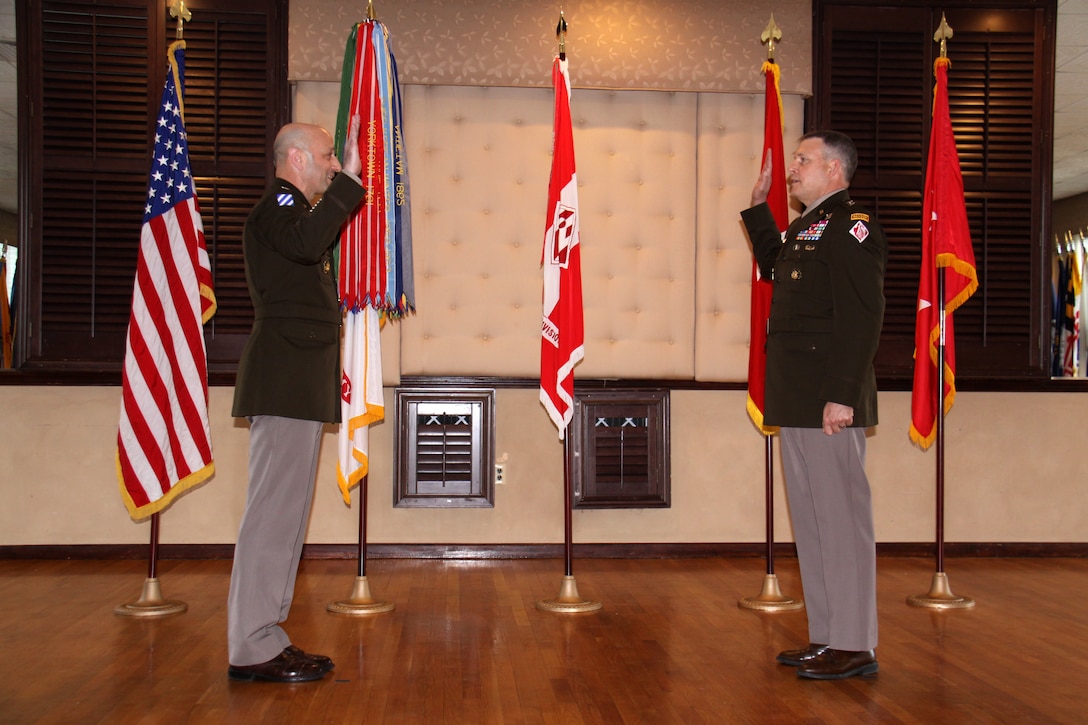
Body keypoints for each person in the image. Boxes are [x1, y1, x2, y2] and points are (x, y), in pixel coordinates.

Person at [741, 130, 887, 680]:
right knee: (813, 520)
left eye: (803, 159)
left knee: (842, 522)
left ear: (835, 170)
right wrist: (759, 211)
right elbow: (780, 268)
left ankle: (855, 643)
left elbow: (862, 314)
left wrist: (841, 394)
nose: (792, 168)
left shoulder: (855, 227)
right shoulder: (811, 224)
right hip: (799, 394)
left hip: (828, 397)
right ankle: (828, 636)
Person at [226, 120, 365, 683]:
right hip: (284, 382)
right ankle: (253, 644)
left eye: (338, 160)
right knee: (272, 518)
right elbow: (309, 245)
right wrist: (349, 184)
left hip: (296, 384)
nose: (334, 165)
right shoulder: (275, 211)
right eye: (329, 157)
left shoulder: (290, 212)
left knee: (284, 520)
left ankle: (265, 637)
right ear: (299, 158)